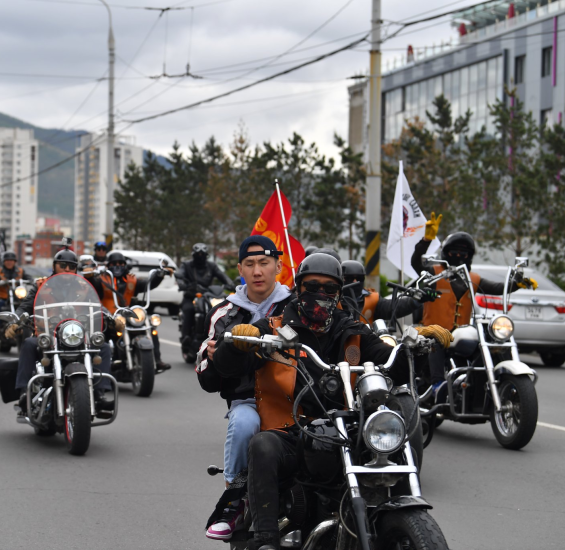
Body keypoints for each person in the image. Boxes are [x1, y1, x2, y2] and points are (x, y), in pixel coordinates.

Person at [212, 253, 452, 550]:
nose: (321, 295)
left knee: (389, 443)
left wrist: (415, 348)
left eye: (329, 289)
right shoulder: (273, 328)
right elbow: (227, 368)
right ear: (299, 288)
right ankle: (265, 539)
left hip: (346, 428)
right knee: (263, 445)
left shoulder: (352, 329)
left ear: (339, 293)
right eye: (313, 286)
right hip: (291, 429)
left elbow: (392, 368)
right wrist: (237, 344)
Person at [197, 236, 293, 542]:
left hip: (297, 400)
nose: (257, 271)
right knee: (243, 423)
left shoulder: (296, 306)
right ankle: (233, 501)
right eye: (250, 264)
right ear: (240, 269)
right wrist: (213, 358)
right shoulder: (224, 313)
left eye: (264, 263)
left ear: (278, 265)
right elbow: (207, 377)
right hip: (249, 401)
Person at [411, 213, 537, 394]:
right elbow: (416, 263)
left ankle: (492, 383)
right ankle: (437, 385)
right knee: (436, 339)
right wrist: (426, 240)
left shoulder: (473, 279)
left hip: (461, 334)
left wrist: (517, 283)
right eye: (455, 252)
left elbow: (498, 287)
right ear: (446, 253)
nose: (459, 255)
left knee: (488, 341)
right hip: (431, 330)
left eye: (464, 253)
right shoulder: (433, 273)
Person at [3, 249, 113, 414]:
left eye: (71, 266)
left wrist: (112, 317)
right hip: (48, 334)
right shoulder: (41, 285)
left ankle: (98, 395)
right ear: (55, 266)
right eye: (63, 265)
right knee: (28, 344)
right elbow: (25, 306)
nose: (67, 269)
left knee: (103, 347)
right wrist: (15, 321)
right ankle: (24, 392)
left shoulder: (84, 287)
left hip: (76, 334)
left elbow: (98, 305)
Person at [99, 251, 171, 371]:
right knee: (101, 335)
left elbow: (147, 284)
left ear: (125, 266)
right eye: (114, 263)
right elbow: (92, 285)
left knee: (151, 329)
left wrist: (159, 275)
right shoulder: (101, 280)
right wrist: (90, 275)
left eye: (121, 263)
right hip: (108, 316)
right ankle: (104, 364)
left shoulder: (131, 280)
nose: (118, 266)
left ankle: (157, 360)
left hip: (129, 316)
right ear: (108, 266)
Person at [175, 243, 235, 341]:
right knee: (189, 309)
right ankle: (185, 336)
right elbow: (180, 275)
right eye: (198, 255)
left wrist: (231, 284)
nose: (200, 257)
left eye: (202, 255)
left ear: (206, 256)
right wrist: (182, 283)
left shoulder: (212, 266)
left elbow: (223, 276)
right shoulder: (186, 265)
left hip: (208, 296)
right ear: (193, 255)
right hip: (191, 295)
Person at [340, 260, 426, 325]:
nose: (355, 282)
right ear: (341, 279)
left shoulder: (372, 299)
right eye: (349, 278)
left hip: (366, 344)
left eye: (359, 278)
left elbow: (392, 307)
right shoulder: (333, 298)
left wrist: (416, 300)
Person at [0, 251, 26, 331]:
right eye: (7, 260)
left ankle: (28, 326)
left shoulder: (20, 271)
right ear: (4, 262)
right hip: (3, 297)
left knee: (26, 305)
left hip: (17, 297)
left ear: (14, 262)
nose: (9, 262)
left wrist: (33, 280)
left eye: (11, 260)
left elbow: (29, 278)